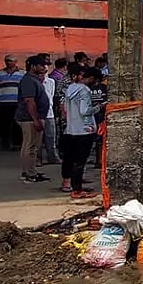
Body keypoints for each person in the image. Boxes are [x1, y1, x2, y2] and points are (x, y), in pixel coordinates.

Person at [60, 64, 100, 198]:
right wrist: (98, 108)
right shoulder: (84, 90)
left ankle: (73, 185)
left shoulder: (70, 89)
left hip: (71, 129)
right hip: (84, 130)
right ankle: (77, 190)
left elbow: (65, 109)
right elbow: (85, 111)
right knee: (80, 161)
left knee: (71, 158)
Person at [14, 56, 50, 183]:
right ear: (33, 66)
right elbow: (30, 102)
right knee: (31, 147)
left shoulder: (33, 80)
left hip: (31, 117)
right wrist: (36, 120)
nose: (43, 68)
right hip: (30, 118)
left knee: (29, 146)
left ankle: (29, 171)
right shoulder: (29, 81)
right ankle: (30, 173)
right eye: (41, 65)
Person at [0, 55, 24, 150]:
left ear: (15, 61)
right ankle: (5, 142)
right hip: (3, 103)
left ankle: (17, 143)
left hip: (16, 102)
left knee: (17, 123)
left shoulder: (22, 74)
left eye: (10, 61)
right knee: (3, 123)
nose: (8, 62)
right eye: (6, 61)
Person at [39, 65, 61, 166]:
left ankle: (52, 157)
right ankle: (38, 158)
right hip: (38, 113)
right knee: (37, 138)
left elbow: (52, 96)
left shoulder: (51, 82)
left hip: (49, 112)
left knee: (51, 137)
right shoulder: (35, 82)